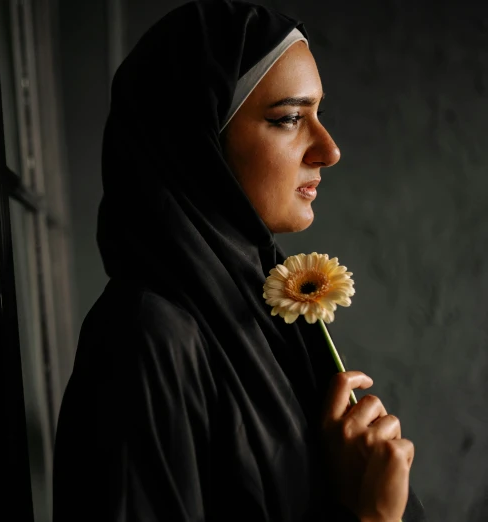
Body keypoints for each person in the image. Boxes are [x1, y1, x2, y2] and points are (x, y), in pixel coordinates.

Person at [51, 1, 427, 521]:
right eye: (290, 118)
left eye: (318, 114)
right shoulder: (147, 339)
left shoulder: (261, 313)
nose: (329, 149)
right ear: (197, 140)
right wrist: (368, 516)